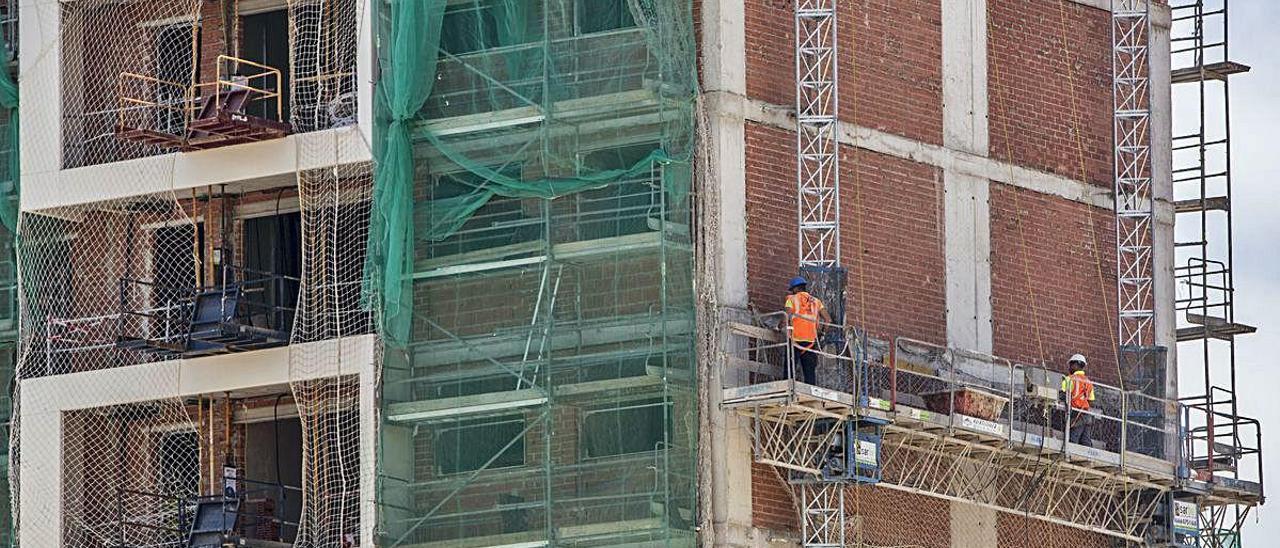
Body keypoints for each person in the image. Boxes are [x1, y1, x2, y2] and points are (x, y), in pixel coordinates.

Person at [784, 276, 831, 385]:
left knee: (789, 369)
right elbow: (828, 319)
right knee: (809, 372)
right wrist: (822, 334)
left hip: (795, 339)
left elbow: (786, 316)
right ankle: (810, 393)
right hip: (811, 341)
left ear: (795, 289)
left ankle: (788, 389)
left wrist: (778, 327)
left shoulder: (791, 299)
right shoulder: (817, 301)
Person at [1059, 353, 1096, 446]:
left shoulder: (1069, 379)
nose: (1069, 367)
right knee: (1085, 440)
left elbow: (1062, 394)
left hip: (1076, 414)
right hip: (1086, 415)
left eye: (1071, 365)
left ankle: (1070, 456)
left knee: (1073, 438)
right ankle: (1087, 458)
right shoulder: (1088, 382)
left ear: (1076, 365)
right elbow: (1091, 401)